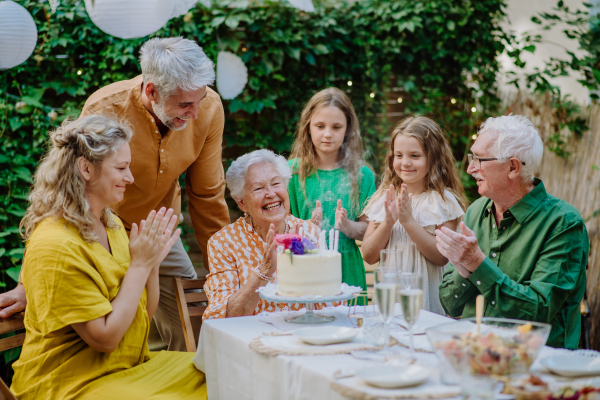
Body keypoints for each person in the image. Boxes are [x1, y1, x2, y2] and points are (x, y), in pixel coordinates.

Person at [0, 37, 230, 351]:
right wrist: (28, 282)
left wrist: (226, 268)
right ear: (152, 90)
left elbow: (207, 195)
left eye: (199, 100)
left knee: (194, 328)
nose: (194, 113)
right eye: (184, 104)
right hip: (102, 233)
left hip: (155, 232)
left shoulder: (209, 108)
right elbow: (65, 191)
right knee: (116, 333)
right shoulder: (104, 108)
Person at [11, 116, 206, 400]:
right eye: (121, 168)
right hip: (71, 384)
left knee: (220, 370)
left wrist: (150, 263)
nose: (130, 178)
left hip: (126, 368)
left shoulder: (110, 223)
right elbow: (105, 338)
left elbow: (144, 314)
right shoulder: (55, 244)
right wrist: (139, 265)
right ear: (86, 168)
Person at [436, 115, 588, 349]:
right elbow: (449, 303)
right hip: (472, 353)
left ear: (513, 167)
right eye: (471, 157)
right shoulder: (476, 211)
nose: (469, 168)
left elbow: (538, 312)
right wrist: (464, 268)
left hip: (534, 365)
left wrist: (477, 264)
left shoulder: (563, 224)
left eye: (478, 159)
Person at [204, 149, 333, 319]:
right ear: (242, 203)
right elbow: (222, 317)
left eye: (276, 183)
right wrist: (264, 271)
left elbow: (330, 306)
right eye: (258, 188)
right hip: (250, 340)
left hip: (303, 335)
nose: (271, 194)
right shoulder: (223, 243)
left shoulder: (310, 233)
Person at [361, 116, 468, 314]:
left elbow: (441, 257)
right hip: (390, 297)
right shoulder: (384, 198)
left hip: (425, 297)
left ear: (434, 158)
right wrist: (387, 222)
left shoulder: (443, 202)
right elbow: (368, 255)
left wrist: (408, 221)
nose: (405, 163)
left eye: (415, 156)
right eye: (398, 155)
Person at [287, 87, 376, 292]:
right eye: (320, 126)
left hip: (348, 271)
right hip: (303, 268)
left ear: (348, 130)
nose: (328, 134)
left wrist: (347, 226)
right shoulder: (291, 172)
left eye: (336, 127)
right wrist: (305, 227)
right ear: (308, 127)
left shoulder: (362, 176)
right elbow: (279, 227)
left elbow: (369, 231)